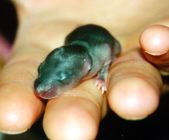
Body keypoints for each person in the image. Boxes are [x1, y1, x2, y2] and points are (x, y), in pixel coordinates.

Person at [0, 0, 169, 139]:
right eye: (41, 70)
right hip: (79, 38)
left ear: (86, 68)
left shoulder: (97, 56)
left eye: (62, 78)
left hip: (100, 40)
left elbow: (107, 53)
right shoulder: (68, 53)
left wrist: (103, 76)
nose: (41, 88)